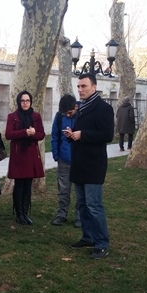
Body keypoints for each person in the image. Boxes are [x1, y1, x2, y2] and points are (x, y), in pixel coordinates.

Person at [65, 73, 114, 260]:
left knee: (94, 205)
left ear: (94, 87)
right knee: (82, 205)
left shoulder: (103, 108)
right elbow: (83, 133)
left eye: (83, 86)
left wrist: (82, 135)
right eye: (78, 86)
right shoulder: (82, 108)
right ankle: (88, 237)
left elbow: (107, 135)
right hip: (79, 163)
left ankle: (101, 243)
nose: (80, 90)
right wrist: (73, 135)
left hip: (94, 164)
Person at [5, 90, 45, 225]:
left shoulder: (36, 116)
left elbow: (41, 134)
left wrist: (33, 133)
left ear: (31, 102)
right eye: (22, 100)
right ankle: (19, 214)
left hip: (31, 154)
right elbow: (9, 134)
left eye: (27, 100)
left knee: (28, 184)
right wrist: (24, 132)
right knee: (19, 184)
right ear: (19, 102)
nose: (25, 103)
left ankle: (25, 212)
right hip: (18, 154)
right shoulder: (13, 116)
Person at [50, 94, 81, 228]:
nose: (67, 115)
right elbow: (55, 136)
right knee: (63, 189)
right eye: (65, 113)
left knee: (80, 190)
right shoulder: (59, 116)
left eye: (69, 113)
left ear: (75, 107)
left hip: (80, 159)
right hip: (64, 158)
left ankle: (80, 216)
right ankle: (61, 214)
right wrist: (56, 155)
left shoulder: (83, 114)